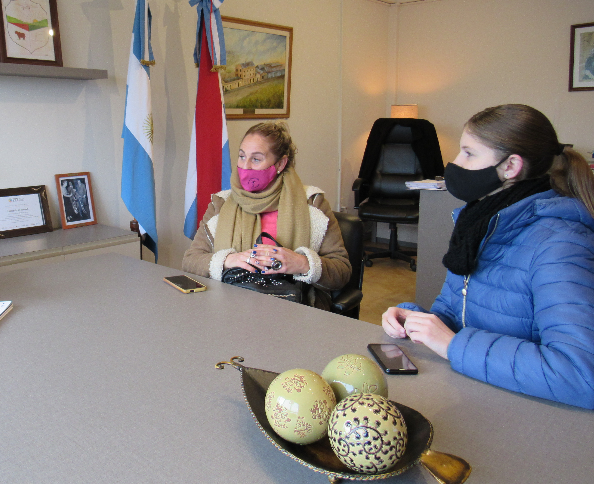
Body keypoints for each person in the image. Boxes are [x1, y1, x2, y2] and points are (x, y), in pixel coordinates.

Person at [382, 104, 594, 409]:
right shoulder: (479, 224)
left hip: (527, 415)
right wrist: (413, 319)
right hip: (470, 393)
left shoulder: (561, 244)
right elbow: (454, 314)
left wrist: (453, 345)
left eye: (469, 153)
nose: (455, 163)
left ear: (510, 167)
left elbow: (580, 374)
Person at [183, 121, 351, 309]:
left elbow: (341, 272)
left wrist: (303, 263)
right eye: (241, 156)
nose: (245, 167)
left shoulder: (312, 203)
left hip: (293, 310)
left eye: (256, 159)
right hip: (231, 309)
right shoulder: (221, 204)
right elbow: (191, 260)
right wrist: (228, 260)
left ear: (280, 163)